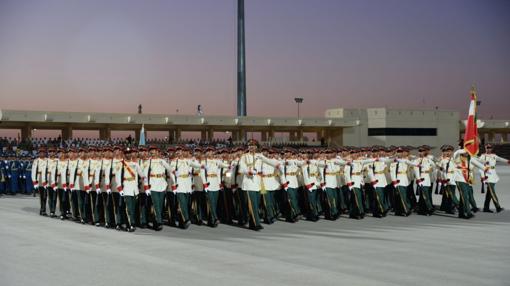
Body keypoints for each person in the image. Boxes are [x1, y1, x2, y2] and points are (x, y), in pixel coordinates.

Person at [479, 143, 508, 213]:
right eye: (487, 148)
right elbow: (480, 167)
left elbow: (500, 159)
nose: (489, 149)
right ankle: (498, 207)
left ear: (491, 148)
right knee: (492, 192)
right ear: (485, 148)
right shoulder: (482, 156)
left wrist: (507, 161)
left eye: (490, 148)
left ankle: (486, 208)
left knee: (489, 193)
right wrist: (482, 176)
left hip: (493, 175)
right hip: (487, 176)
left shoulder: (494, 155)